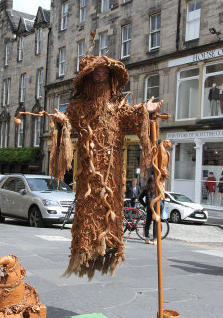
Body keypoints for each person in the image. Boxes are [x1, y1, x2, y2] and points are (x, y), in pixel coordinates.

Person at [52, 47, 163, 278]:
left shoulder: (119, 105)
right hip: (89, 172)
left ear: (111, 78)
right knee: (88, 212)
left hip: (113, 171)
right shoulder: (79, 106)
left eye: (104, 75)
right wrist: (62, 122)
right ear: (90, 79)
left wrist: (146, 110)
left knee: (110, 212)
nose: (101, 79)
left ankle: (109, 249)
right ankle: (83, 252)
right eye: (96, 75)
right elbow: (69, 126)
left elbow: (134, 116)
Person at [138, 176, 157, 245]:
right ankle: (155, 239)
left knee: (147, 223)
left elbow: (139, 198)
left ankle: (147, 239)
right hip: (155, 207)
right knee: (155, 223)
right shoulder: (156, 188)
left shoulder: (146, 189)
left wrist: (145, 205)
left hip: (149, 207)